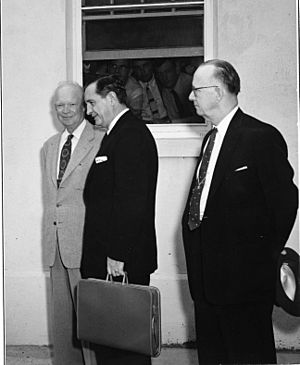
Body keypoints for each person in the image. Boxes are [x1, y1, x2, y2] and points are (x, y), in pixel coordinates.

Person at [181, 59, 298, 364]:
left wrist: (261, 261)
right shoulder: (210, 139)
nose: (190, 97)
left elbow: (285, 203)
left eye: (196, 90)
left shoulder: (260, 136)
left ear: (217, 92)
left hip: (244, 286)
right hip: (206, 282)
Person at [81, 74, 159, 365]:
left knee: (125, 347)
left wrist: (117, 254)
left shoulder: (131, 135)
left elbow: (132, 202)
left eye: (92, 102)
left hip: (119, 261)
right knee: (113, 343)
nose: (88, 111)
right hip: (113, 258)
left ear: (112, 99)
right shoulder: (118, 134)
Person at [41, 81, 103, 365]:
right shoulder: (49, 147)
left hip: (84, 242)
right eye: (59, 105)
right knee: (63, 322)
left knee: (91, 321)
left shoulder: (101, 140)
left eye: (71, 104)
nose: (65, 111)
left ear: (83, 106)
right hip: (55, 245)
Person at [155, 58, 200, 123]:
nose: (164, 77)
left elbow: (200, 119)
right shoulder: (166, 92)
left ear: (177, 69)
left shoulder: (192, 84)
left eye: (167, 72)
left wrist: (169, 122)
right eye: (160, 74)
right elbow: (174, 118)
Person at [132, 59, 168, 123]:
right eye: (138, 68)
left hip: (167, 121)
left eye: (145, 65)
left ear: (151, 65)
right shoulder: (133, 88)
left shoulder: (162, 79)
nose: (142, 70)